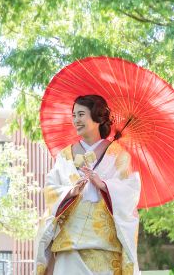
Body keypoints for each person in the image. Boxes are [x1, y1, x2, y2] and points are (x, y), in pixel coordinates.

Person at [35, 94, 140, 275]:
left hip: (105, 247)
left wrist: (105, 185)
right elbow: (51, 188)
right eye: (74, 115)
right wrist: (69, 191)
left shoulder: (118, 155)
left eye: (81, 114)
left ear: (98, 117)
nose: (76, 120)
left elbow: (129, 191)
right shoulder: (64, 156)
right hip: (69, 246)